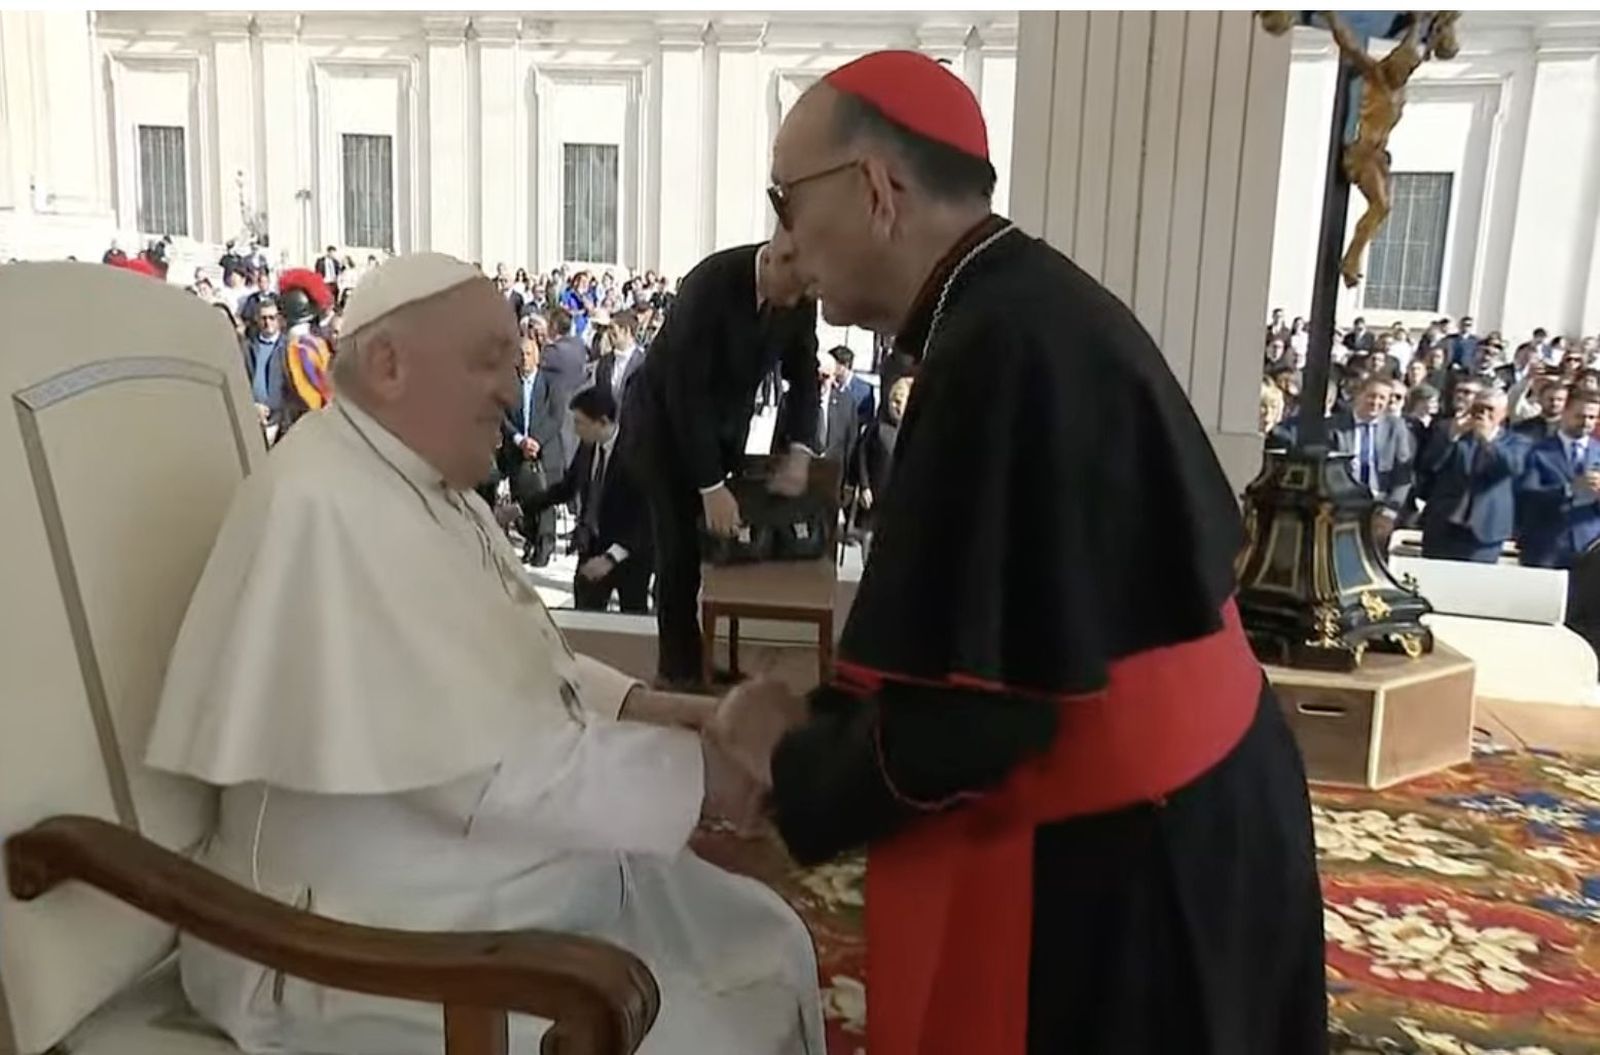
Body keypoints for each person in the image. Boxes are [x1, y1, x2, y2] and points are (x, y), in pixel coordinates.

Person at [709, 49, 1325, 1055]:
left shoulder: (995, 345)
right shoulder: (1009, 305)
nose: (782, 236)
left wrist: (789, 752)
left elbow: (975, 716)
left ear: (873, 188)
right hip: (1191, 802)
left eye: (786, 200)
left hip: (1133, 860)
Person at [142, 251, 824, 1055]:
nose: (513, 387)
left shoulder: (427, 486)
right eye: (489, 360)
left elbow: (523, 656)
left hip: (481, 882)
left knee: (769, 935)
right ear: (390, 364)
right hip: (362, 941)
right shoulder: (325, 505)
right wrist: (711, 769)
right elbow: (475, 769)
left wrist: (654, 708)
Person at [621, 232, 820, 690]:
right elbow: (684, 392)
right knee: (678, 553)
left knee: (719, 549)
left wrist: (801, 451)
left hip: (722, 431)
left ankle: (707, 659)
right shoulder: (709, 284)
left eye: (803, 295)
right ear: (772, 258)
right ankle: (678, 674)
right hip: (663, 432)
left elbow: (803, 375)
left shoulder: (798, 294)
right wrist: (710, 487)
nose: (793, 303)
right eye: (791, 291)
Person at [526, 387, 653, 613]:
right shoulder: (588, 448)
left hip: (629, 553)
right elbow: (566, 488)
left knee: (632, 621)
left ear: (602, 422)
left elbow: (644, 515)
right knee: (585, 615)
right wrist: (520, 508)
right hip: (593, 546)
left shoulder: (636, 452)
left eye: (580, 423)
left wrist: (611, 558)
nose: (575, 430)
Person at [1419, 388, 1527, 563]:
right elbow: (1430, 466)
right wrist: (1452, 436)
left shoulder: (1517, 442)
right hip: (1443, 524)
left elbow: (1511, 467)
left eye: (1489, 409)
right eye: (1478, 408)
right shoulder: (1451, 432)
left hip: (1485, 530)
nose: (1482, 414)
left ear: (1503, 414)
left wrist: (1488, 440)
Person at [500, 327, 565, 566]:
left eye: (529, 354)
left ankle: (544, 545)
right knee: (522, 497)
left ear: (537, 356)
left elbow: (556, 417)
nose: (525, 358)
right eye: (521, 354)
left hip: (545, 450)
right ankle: (528, 539)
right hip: (518, 450)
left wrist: (536, 440)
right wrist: (520, 440)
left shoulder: (550, 382)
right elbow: (502, 416)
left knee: (544, 498)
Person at [1516, 387, 1600, 569]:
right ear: (1565, 413)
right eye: (1580, 416)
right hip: (1547, 544)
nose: (1586, 422)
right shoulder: (1537, 451)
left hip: (1590, 545)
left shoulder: (1598, 452)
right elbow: (1527, 495)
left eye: (1592, 418)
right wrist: (1570, 489)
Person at [832, 344, 877, 428]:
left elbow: (866, 418)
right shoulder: (828, 384)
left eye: (834, 363)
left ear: (845, 365)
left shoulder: (865, 390)